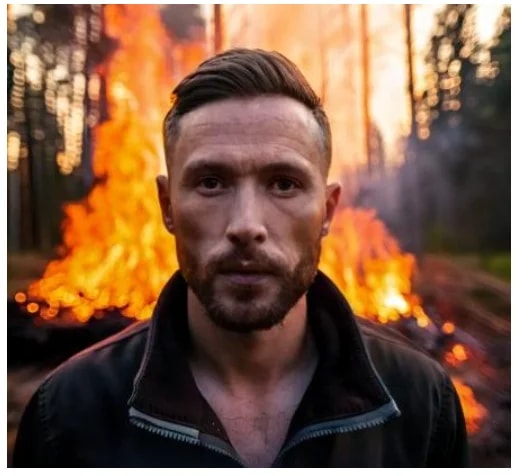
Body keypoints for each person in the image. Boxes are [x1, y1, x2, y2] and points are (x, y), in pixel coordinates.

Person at [13, 48, 469, 468]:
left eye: (284, 183)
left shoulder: (421, 403)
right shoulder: (68, 412)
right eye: (212, 182)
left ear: (327, 211)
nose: (246, 225)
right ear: (168, 207)